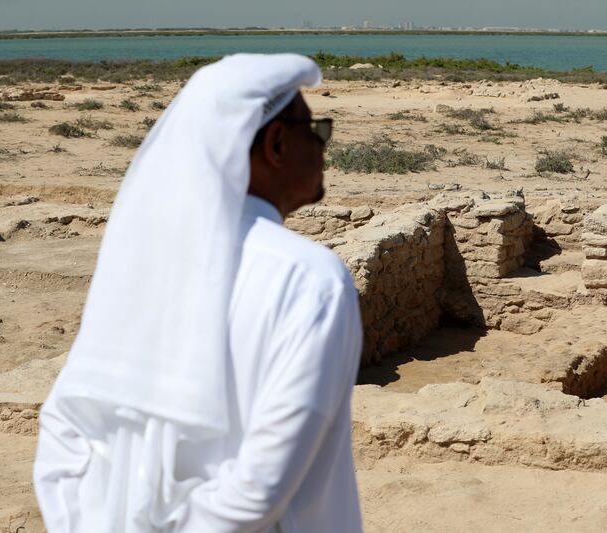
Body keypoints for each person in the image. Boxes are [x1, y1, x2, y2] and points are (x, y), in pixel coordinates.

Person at [33, 54, 364, 533]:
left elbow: (64, 432)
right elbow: (259, 490)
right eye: (316, 132)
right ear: (275, 143)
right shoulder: (310, 280)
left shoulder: (142, 266)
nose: (322, 147)